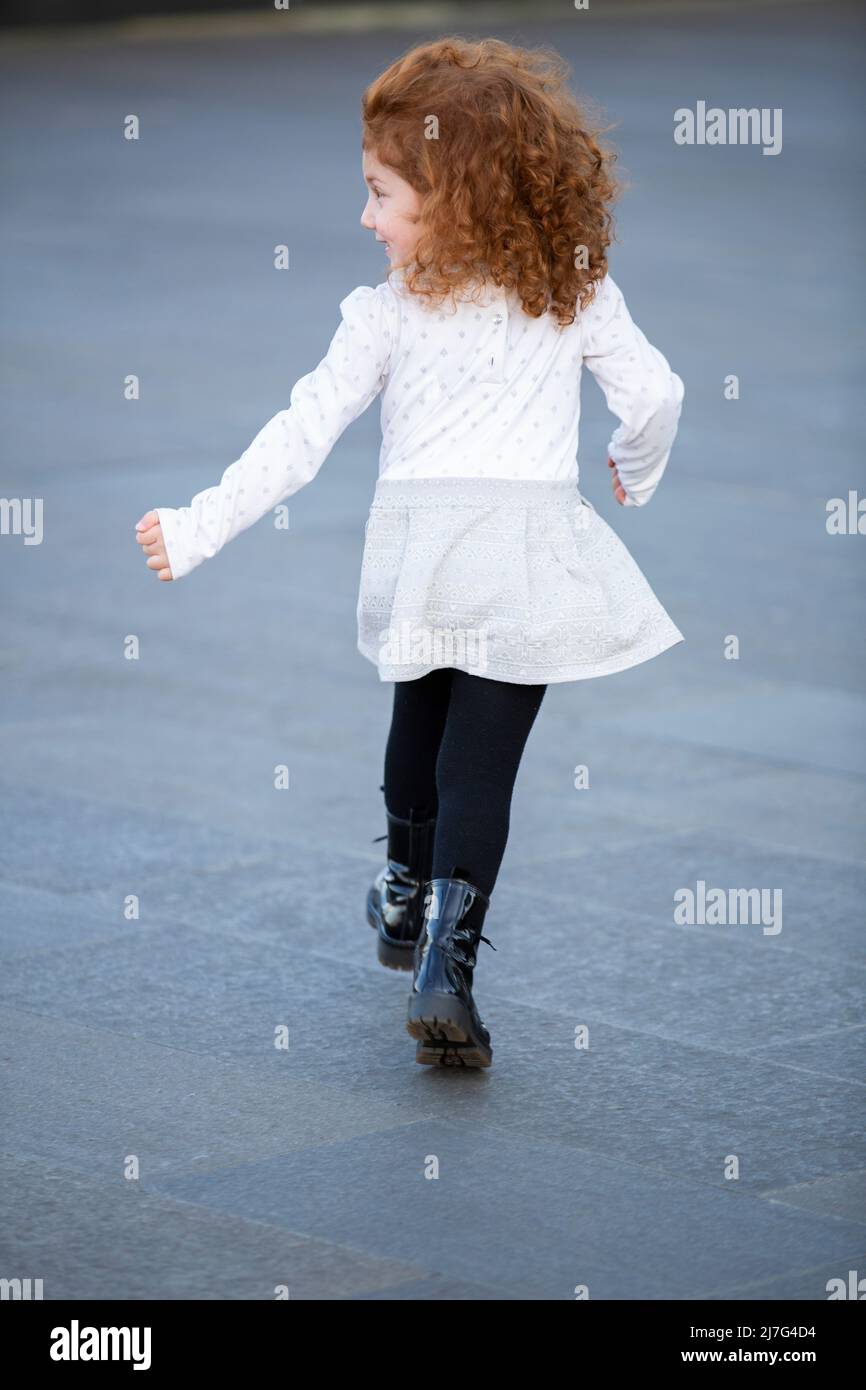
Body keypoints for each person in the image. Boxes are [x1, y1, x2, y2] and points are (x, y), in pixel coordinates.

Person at [135, 36, 685, 1071]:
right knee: (481, 771)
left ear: (452, 196)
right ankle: (447, 965)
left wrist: (198, 523)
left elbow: (298, 437)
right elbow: (653, 395)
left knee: (415, 735)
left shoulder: (381, 316)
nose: (363, 216)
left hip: (419, 559)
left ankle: (400, 888)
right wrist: (633, 463)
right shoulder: (572, 290)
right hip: (523, 561)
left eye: (379, 193)